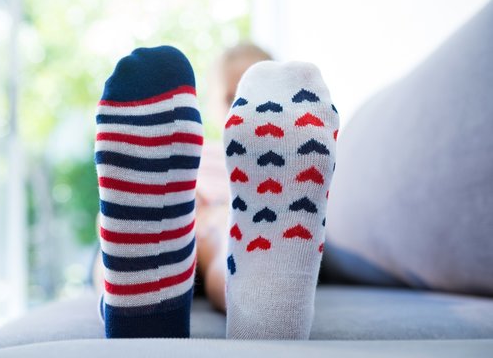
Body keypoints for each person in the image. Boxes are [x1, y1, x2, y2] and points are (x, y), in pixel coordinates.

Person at [93, 44, 338, 339]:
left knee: (229, 239)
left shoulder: (271, 154)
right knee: (114, 230)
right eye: (230, 98)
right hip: (178, 222)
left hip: (233, 228)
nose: (240, 109)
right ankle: (121, 296)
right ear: (210, 103)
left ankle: (263, 303)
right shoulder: (196, 147)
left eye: (249, 100)